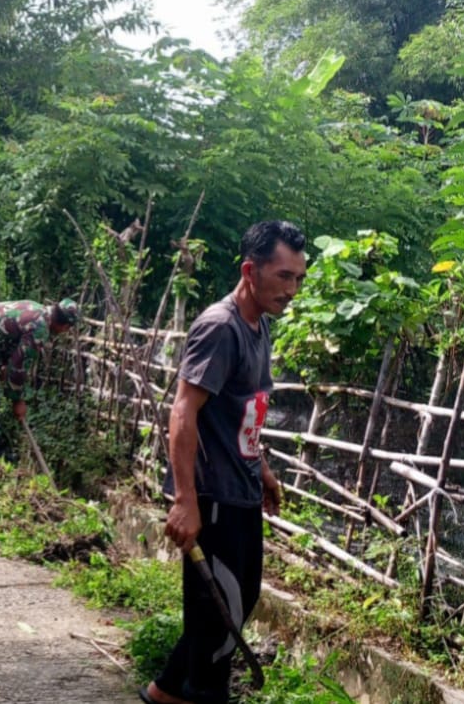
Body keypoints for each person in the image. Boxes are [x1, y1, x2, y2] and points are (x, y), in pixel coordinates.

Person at [140, 221, 306, 704]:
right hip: (213, 495)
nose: (292, 290)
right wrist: (185, 500)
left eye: (298, 278)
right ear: (250, 271)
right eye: (283, 276)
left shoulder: (259, 325)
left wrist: (264, 469)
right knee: (221, 612)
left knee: (237, 600)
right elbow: (183, 412)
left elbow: (240, 409)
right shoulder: (221, 327)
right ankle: (199, 694)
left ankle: (166, 693)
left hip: (242, 489)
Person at [0, 298, 80, 460]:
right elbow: (19, 367)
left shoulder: (37, 310)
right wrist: (17, 400)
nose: (65, 332)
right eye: (67, 329)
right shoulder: (39, 328)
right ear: (65, 325)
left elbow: (10, 345)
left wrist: (6, 368)